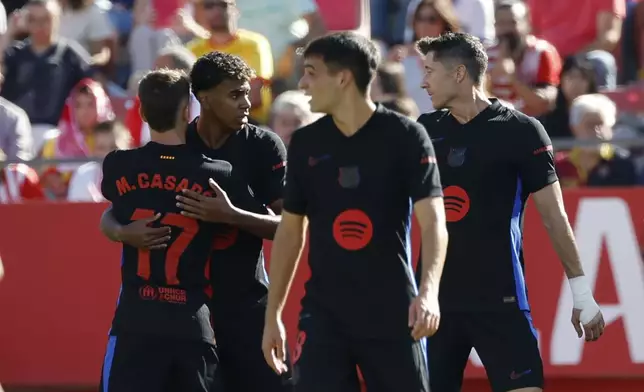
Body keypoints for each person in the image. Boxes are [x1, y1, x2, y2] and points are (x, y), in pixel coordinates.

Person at [414, 32, 605, 392]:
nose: (422, 81)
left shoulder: (522, 131)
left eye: (429, 71)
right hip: (436, 306)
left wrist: (581, 293)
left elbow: (554, 217)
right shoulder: (424, 131)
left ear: (458, 74)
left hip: (500, 300)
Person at [262, 32, 448, 392]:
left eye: (312, 72)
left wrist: (428, 292)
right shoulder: (304, 142)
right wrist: (274, 316)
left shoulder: (407, 137)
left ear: (343, 77)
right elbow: (290, 232)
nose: (302, 83)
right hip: (324, 315)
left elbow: (434, 221)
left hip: (393, 311)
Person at [101, 51, 293, 392]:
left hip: (245, 302)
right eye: (236, 94)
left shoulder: (263, 145)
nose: (248, 103)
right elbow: (116, 212)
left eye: (248, 92)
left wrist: (231, 215)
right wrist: (122, 232)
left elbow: (288, 226)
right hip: (186, 310)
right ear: (203, 98)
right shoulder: (174, 144)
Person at [98, 68, 240, 392]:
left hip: (136, 319)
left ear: (142, 112)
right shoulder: (217, 173)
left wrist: (121, 231)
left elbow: (110, 212)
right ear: (186, 111)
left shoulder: (118, 165)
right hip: (192, 321)